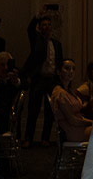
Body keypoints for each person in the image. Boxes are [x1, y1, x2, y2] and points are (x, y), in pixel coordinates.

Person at [22, 12, 63, 144]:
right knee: (33, 109)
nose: (47, 27)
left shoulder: (56, 43)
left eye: (49, 25)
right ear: (40, 27)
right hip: (38, 78)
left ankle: (45, 138)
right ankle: (28, 138)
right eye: (44, 25)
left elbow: (59, 60)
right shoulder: (36, 39)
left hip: (51, 79)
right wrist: (37, 17)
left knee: (50, 110)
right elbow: (30, 28)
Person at [51, 59, 92, 143]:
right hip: (71, 129)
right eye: (67, 68)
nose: (71, 71)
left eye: (73, 69)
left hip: (77, 126)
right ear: (59, 72)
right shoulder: (60, 93)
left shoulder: (68, 90)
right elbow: (72, 120)